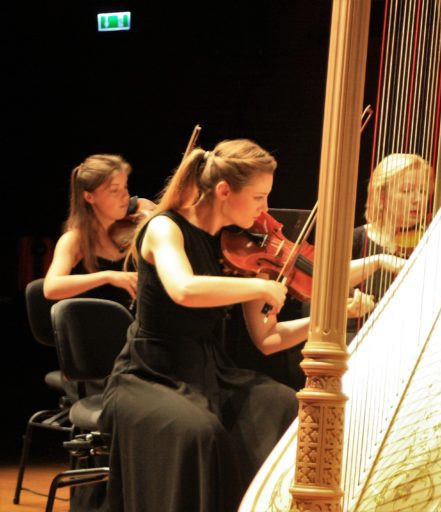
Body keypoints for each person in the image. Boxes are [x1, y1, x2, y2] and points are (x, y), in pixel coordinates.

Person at [99, 139, 369, 512]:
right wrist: (259, 287)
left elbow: (269, 339)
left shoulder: (238, 248)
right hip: (149, 373)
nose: (265, 208)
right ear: (224, 191)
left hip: (211, 370)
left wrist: (332, 317)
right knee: (200, 432)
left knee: (281, 404)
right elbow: (183, 289)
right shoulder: (165, 227)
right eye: (259, 197)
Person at [44, 154, 153, 310]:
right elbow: (51, 288)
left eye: (125, 187)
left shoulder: (130, 226)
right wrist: (108, 276)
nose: (125, 195)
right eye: (114, 190)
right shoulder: (74, 240)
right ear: (89, 197)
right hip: (97, 321)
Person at [347, 153, 434, 336]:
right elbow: (324, 282)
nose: (418, 200)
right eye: (407, 191)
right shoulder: (356, 239)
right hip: (359, 338)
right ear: (381, 196)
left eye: (423, 192)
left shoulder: (432, 239)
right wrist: (378, 260)